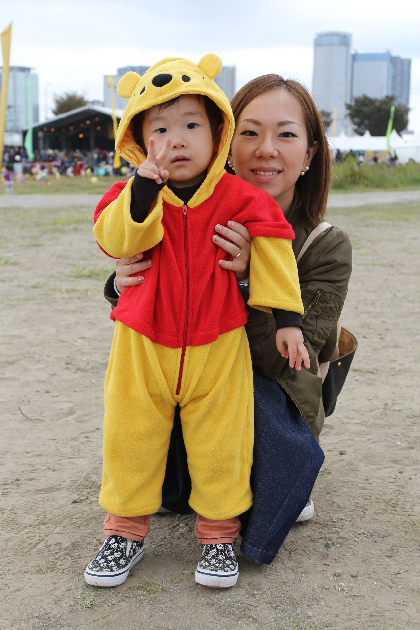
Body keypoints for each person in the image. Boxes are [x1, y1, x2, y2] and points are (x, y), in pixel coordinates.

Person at [104, 73, 352, 565]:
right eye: (250, 132)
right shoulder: (183, 203)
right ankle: (147, 507)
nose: (265, 149)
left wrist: (244, 279)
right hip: (191, 373)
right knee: (144, 410)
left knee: (240, 433)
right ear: (226, 141)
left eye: (285, 134)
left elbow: (286, 360)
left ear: (309, 154)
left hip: (272, 390)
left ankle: (267, 489)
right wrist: (118, 279)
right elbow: (148, 303)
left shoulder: (325, 244)